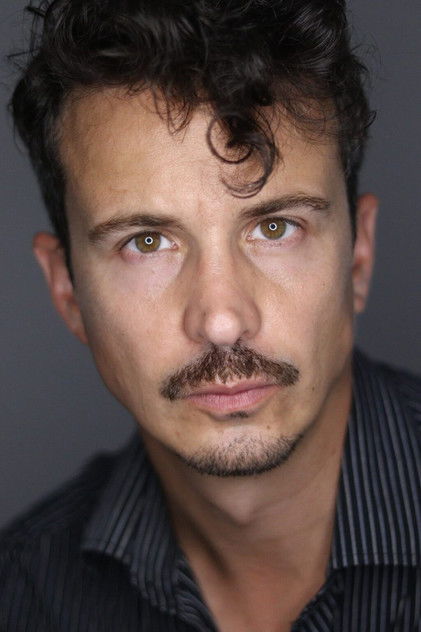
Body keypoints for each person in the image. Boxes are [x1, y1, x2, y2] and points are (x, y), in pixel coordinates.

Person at [0, 0, 420, 630]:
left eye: (276, 228)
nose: (222, 321)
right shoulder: (23, 599)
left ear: (358, 256)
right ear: (67, 291)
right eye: (146, 242)